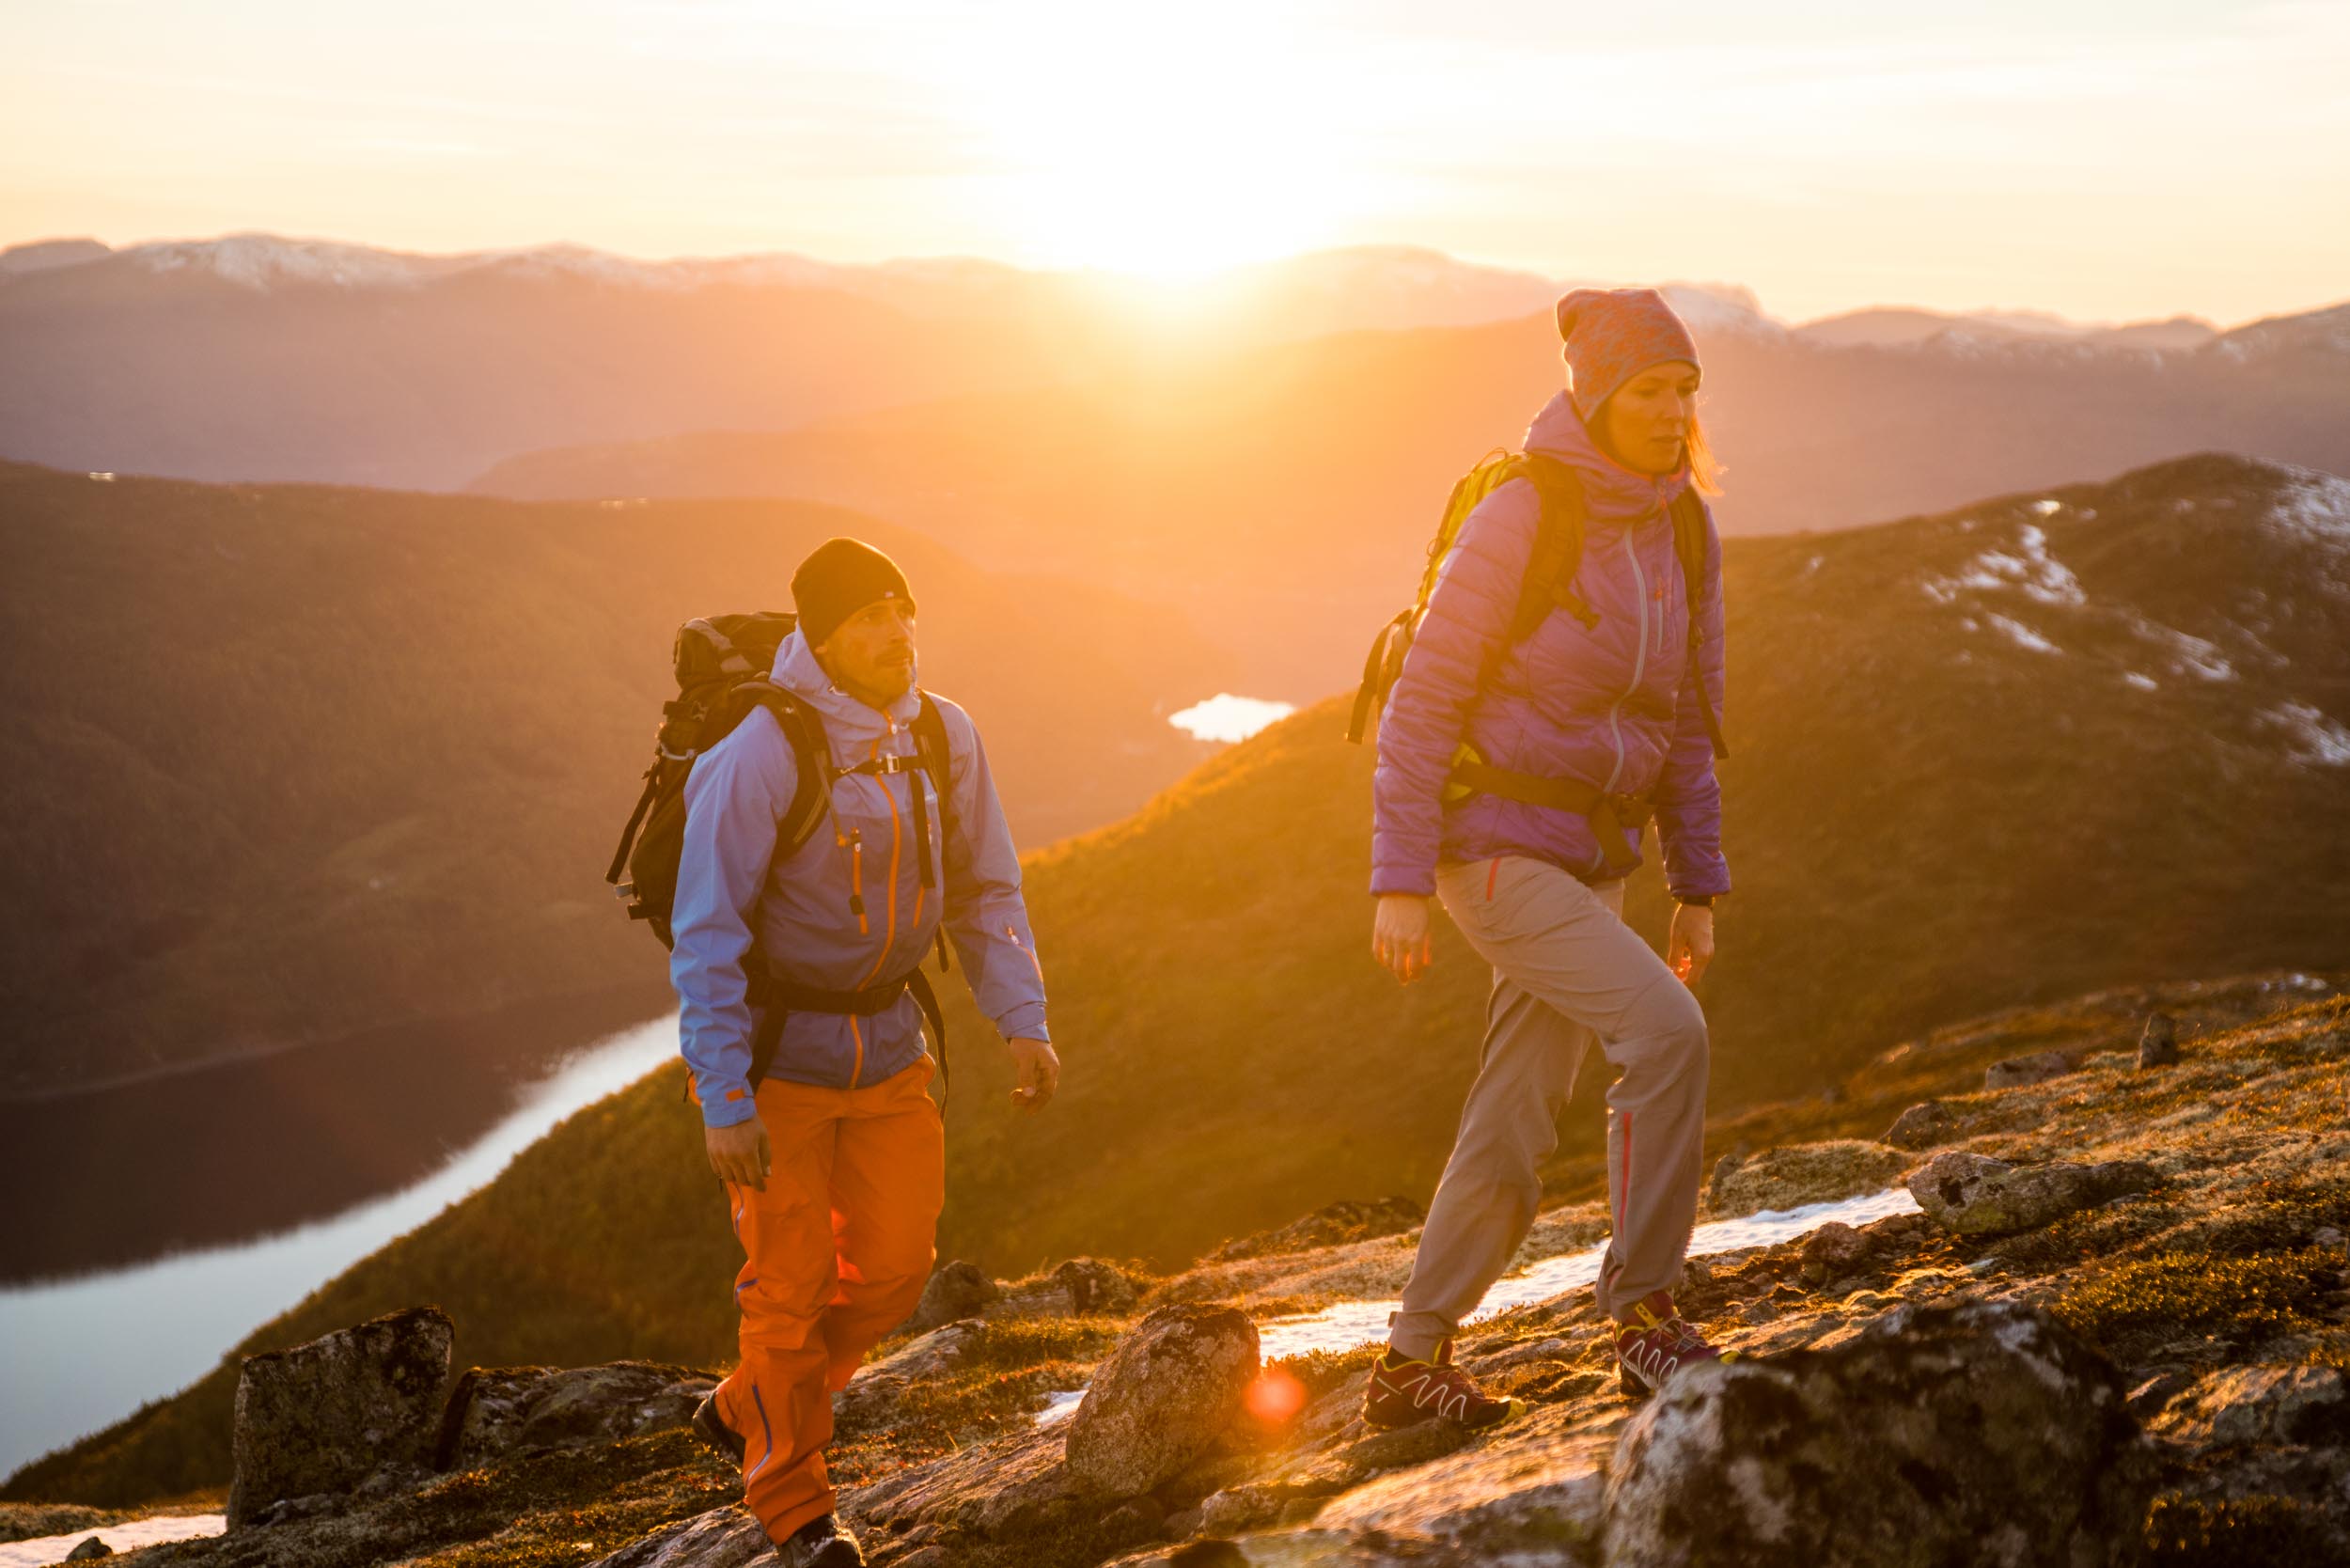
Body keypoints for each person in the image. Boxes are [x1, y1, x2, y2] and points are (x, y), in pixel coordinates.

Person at [1362, 288, 1733, 1425]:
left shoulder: (1681, 525)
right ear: (1595, 394)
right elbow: (1421, 700)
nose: (1671, 413)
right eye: (1648, 393)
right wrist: (1398, 880)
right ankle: (1644, 1315)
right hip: (1487, 851)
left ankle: (1408, 1364)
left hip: (1594, 857)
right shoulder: (1525, 512)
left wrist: (1695, 883)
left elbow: (1687, 718)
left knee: (1515, 1113)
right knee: (1666, 1036)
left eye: (1685, 392)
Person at [670, 538, 1060, 1567]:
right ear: (819, 634)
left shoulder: (942, 734)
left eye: (902, 610)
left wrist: (1021, 1018)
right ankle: (795, 1509)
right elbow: (707, 931)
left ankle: (751, 1400)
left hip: (890, 1045)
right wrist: (722, 1096)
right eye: (868, 617)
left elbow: (986, 889)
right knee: (788, 1286)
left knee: (894, 1270)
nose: (894, 633)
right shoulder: (760, 749)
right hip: (776, 1063)